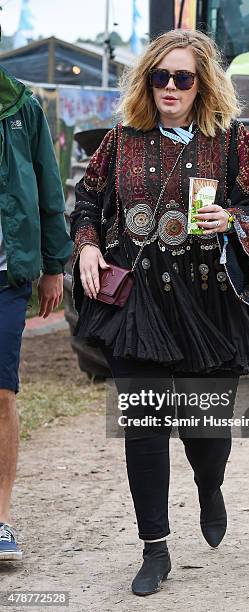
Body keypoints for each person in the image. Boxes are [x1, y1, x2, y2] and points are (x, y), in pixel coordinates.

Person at [70, 29, 249, 597]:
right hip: (140, 305)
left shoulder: (231, 140)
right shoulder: (121, 140)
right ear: (148, 82)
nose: (170, 87)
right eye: (160, 77)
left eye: (183, 77)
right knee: (144, 427)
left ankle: (210, 483)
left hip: (210, 303)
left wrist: (233, 222)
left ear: (202, 85)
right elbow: (89, 199)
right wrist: (89, 244)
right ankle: (154, 548)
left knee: (206, 431)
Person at [0, 63, 72, 561]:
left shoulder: (21, 105)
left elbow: (49, 185)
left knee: (1, 395)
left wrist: (54, 264)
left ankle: (0, 520)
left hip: (6, 277)